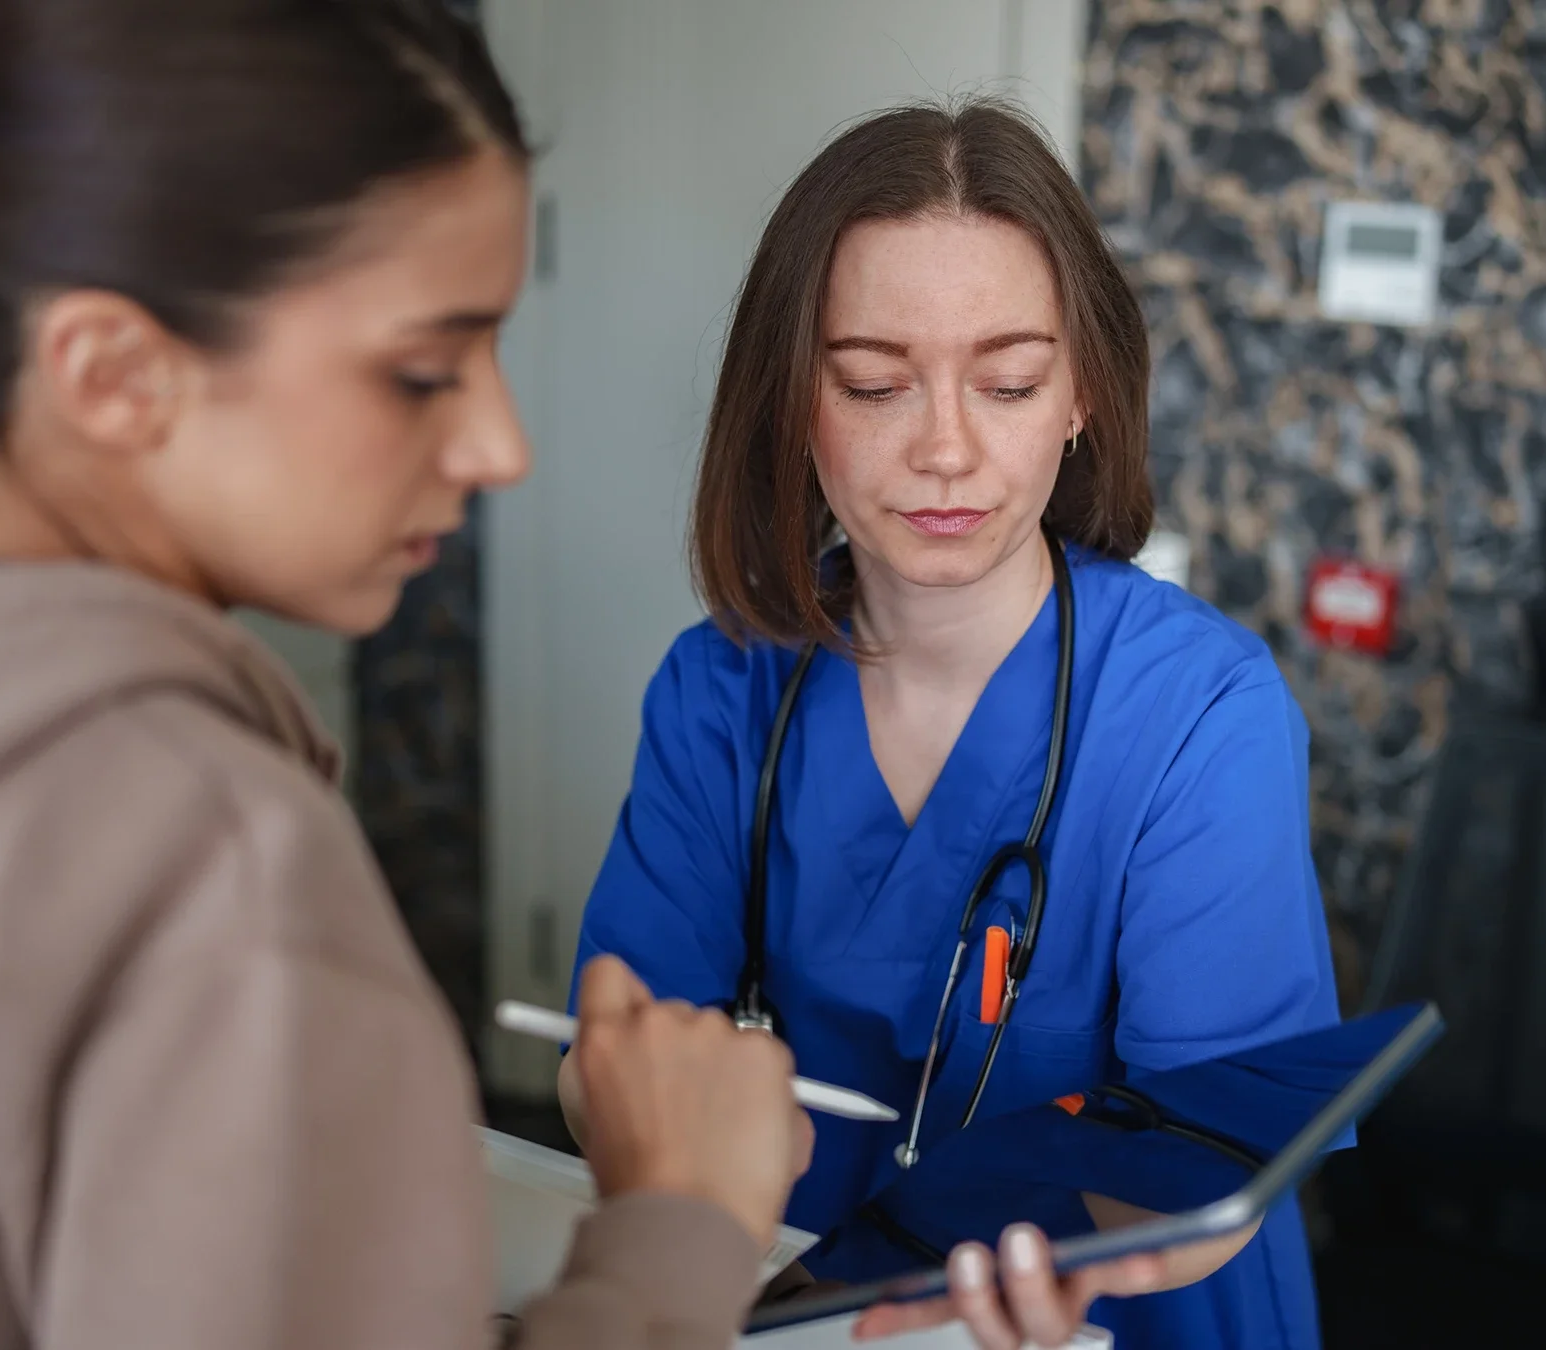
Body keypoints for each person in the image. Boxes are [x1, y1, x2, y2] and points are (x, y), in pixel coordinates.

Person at [0, 3, 811, 1348]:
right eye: (425, 370)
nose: (499, 443)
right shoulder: (219, 862)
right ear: (114, 373)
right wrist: (683, 1220)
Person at [562, 100, 1343, 1350]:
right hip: (806, 1301)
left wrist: (1036, 1266)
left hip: (1117, 1318)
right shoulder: (721, 692)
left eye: (1009, 381)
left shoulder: (1201, 714)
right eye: (874, 385)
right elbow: (611, 1044)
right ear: (792, 406)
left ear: (1080, 395)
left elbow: (1216, 1161)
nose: (945, 449)